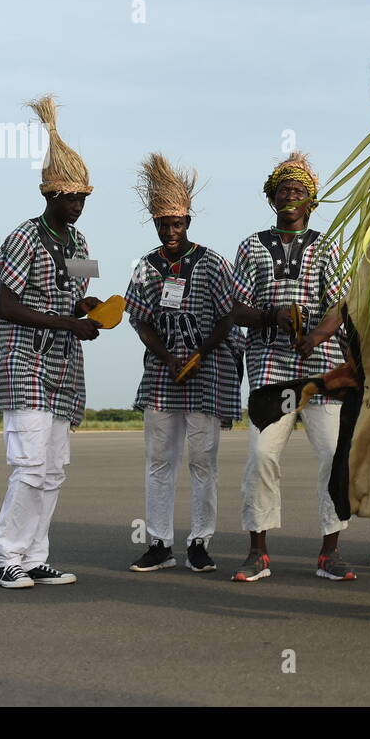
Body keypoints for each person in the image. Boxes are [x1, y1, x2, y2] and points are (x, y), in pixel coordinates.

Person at [0, 95, 103, 589]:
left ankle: (35, 557)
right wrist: (66, 323)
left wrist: (91, 309)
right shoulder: (23, 237)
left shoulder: (80, 243)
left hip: (63, 368)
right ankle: (6, 557)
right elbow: (6, 306)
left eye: (82, 199)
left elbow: (76, 298)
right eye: (69, 198)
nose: (76, 206)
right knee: (29, 466)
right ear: (48, 194)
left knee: (54, 470)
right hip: (23, 364)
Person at [228, 152, 354, 582]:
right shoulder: (250, 246)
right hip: (268, 366)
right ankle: (258, 552)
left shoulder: (329, 244)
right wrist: (272, 316)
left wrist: (315, 336)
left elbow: (341, 304)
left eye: (298, 192)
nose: (289, 198)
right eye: (282, 191)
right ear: (271, 199)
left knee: (335, 456)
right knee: (262, 456)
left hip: (322, 367)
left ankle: (330, 552)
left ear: (311, 202)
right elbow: (236, 308)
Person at [125, 154, 243, 574]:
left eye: (177, 224)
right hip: (162, 374)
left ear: (188, 221)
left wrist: (199, 355)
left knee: (202, 461)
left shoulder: (212, 262)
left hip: (206, 374)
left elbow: (229, 314)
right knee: (159, 460)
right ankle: (159, 542)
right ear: (155, 225)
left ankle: (199, 541)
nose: (170, 232)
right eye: (163, 225)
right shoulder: (146, 266)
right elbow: (139, 319)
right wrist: (170, 358)